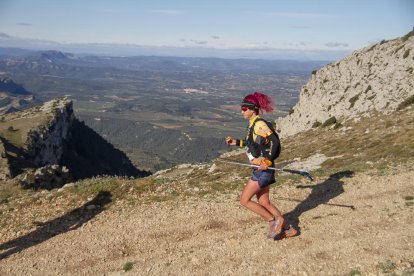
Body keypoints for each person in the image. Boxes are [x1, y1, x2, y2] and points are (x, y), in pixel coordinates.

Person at [225, 92, 297, 240]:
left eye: (244, 109)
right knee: (264, 202)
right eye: (242, 108)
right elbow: (250, 144)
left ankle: (273, 221)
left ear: (253, 109)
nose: (242, 111)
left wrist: (268, 161)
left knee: (244, 200)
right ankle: (289, 229)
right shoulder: (253, 125)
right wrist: (235, 142)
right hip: (262, 169)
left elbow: (275, 142)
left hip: (263, 170)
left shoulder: (260, 124)